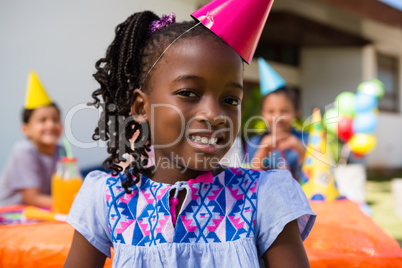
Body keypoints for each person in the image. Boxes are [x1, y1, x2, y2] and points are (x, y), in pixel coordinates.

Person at [65, 4, 315, 267]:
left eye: (230, 99)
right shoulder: (108, 200)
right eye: (188, 93)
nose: (214, 114)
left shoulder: (265, 197)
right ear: (141, 107)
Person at [0, 72, 63, 208]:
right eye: (42, 120)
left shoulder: (61, 151)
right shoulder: (23, 151)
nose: (51, 124)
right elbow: (32, 198)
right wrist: (70, 204)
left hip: (39, 212)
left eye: (55, 119)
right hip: (9, 213)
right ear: (26, 129)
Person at [246, 59, 308, 181]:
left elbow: (318, 177)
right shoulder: (255, 143)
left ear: (296, 112)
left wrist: (302, 151)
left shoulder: (307, 140)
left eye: (284, 111)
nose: (277, 118)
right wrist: (262, 152)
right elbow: (249, 181)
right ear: (262, 114)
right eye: (270, 112)